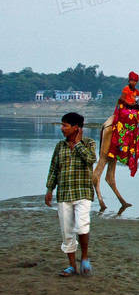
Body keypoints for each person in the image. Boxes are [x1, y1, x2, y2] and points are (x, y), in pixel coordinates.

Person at [45, 112, 97, 277]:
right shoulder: (60, 146)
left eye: (65, 125)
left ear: (77, 128)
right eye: (62, 125)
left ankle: (85, 257)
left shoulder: (89, 143)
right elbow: (54, 169)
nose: (62, 128)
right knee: (67, 232)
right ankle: (72, 266)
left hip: (83, 193)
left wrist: (78, 143)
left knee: (82, 227)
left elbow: (90, 159)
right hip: (64, 195)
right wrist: (49, 189)